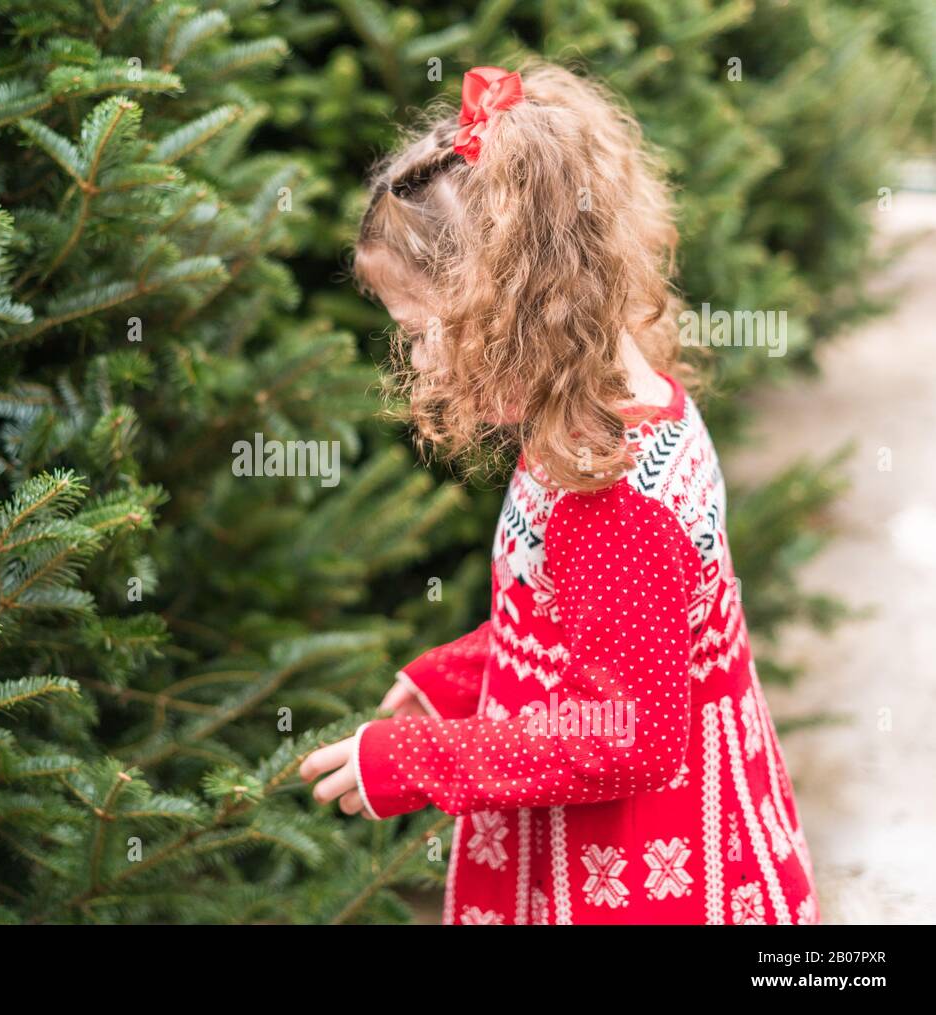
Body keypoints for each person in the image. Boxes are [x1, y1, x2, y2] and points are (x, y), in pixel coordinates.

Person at [300, 63, 819, 925]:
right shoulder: (601, 422)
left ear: (516, 306)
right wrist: (457, 675)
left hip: (644, 876)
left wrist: (418, 759)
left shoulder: (611, 496)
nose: (420, 363)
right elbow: (575, 619)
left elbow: (622, 734)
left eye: (425, 332)